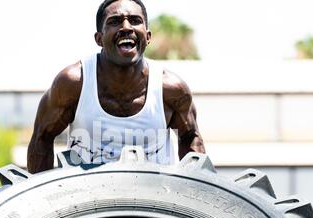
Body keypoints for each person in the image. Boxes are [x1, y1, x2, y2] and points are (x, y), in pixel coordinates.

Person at [27, 0, 206, 174]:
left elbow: (191, 138)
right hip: (87, 199)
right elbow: (42, 137)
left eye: (135, 21)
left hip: (152, 197)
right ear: (99, 38)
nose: (126, 27)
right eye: (114, 22)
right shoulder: (73, 83)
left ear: (148, 36)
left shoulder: (172, 89)